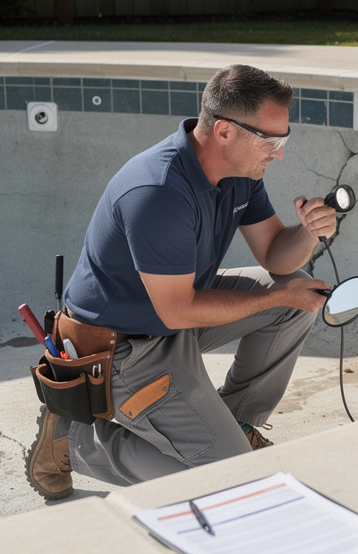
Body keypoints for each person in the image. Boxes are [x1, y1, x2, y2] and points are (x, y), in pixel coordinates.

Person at [26, 64, 336, 500]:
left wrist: (308, 233)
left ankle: (236, 425)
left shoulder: (238, 176)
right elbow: (177, 309)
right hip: (122, 348)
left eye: (284, 139)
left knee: (291, 295)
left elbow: (274, 255)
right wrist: (276, 296)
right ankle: (75, 443)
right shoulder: (157, 191)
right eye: (271, 140)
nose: (279, 153)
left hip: (172, 316)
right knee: (228, 483)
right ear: (225, 131)